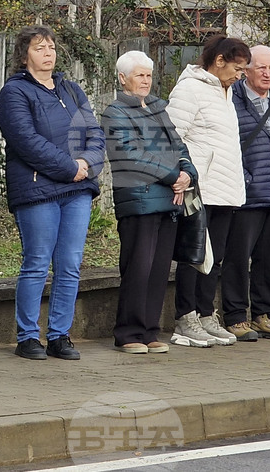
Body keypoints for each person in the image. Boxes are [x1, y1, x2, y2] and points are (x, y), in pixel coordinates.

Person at [0, 25, 105, 361]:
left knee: (70, 264)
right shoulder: (13, 93)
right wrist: (69, 167)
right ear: (24, 54)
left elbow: (95, 133)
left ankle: (59, 335)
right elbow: (27, 142)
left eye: (52, 47)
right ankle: (28, 336)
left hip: (78, 190)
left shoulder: (71, 89)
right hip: (38, 189)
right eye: (40, 47)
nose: (48, 53)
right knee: (37, 263)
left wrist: (86, 162)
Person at [102, 50, 198, 354]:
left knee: (159, 270)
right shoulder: (115, 112)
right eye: (139, 75)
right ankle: (128, 332)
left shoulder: (159, 108)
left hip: (169, 200)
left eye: (148, 75)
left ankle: (150, 330)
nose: (146, 81)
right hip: (139, 200)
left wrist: (188, 173)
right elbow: (132, 155)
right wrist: (173, 175)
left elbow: (179, 145)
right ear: (123, 78)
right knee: (138, 267)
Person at [166, 35, 250, 347]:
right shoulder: (190, 88)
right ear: (218, 61)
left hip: (226, 188)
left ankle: (204, 313)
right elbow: (173, 137)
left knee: (215, 259)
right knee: (194, 255)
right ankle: (185, 316)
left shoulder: (226, 92)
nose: (240, 75)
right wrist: (186, 175)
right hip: (201, 188)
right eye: (237, 68)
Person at [223, 45, 270, 342]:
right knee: (238, 258)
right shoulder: (232, 99)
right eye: (261, 68)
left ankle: (265, 316)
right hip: (247, 194)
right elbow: (229, 144)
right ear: (247, 70)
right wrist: (244, 178)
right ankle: (235, 317)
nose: (268, 73)